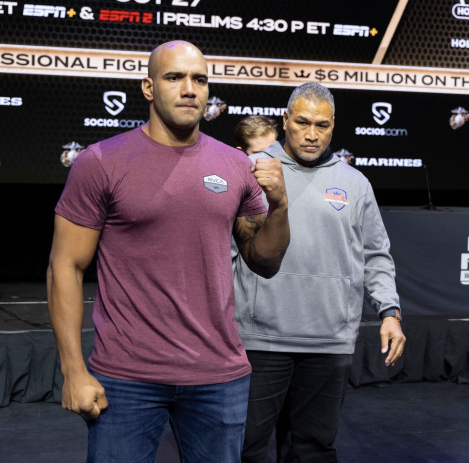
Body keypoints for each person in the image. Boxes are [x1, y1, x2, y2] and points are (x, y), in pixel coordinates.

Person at [46, 40, 290, 462]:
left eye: (199, 79)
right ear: (148, 87)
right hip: (126, 377)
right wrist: (73, 369)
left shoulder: (233, 164)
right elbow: (64, 266)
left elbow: (264, 262)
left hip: (218, 376)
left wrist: (281, 207)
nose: (190, 89)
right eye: (174, 77)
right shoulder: (101, 162)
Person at [232, 82, 406, 462]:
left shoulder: (355, 183)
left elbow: (376, 254)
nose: (312, 134)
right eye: (303, 122)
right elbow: (223, 255)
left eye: (322, 125)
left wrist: (389, 312)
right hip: (261, 340)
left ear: (333, 126)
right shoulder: (252, 171)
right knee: (243, 449)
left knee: (312, 451)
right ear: (285, 119)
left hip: (329, 342)